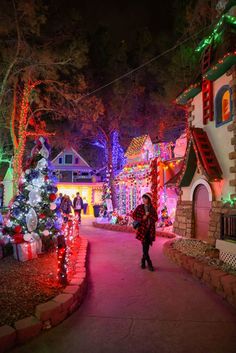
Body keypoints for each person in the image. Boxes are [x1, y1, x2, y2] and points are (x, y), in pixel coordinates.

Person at [133, 193, 158, 271]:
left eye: (145, 198)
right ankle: (150, 264)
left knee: (146, 248)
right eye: (143, 198)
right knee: (144, 247)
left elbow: (156, 218)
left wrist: (149, 215)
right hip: (142, 231)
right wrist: (142, 218)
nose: (143, 200)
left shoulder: (152, 209)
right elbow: (134, 215)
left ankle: (143, 260)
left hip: (150, 231)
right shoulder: (139, 207)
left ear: (149, 199)